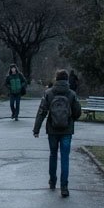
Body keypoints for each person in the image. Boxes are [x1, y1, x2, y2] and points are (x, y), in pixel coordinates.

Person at [33, 69, 82, 197]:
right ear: (66, 80)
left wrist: (36, 129)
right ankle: (64, 187)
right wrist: (71, 119)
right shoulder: (72, 94)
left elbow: (42, 112)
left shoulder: (48, 93)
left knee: (53, 155)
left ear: (56, 79)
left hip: (52, 130)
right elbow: (78, 112)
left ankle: (52, 181)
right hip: (67, 130)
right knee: (65, 157)